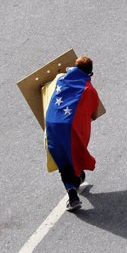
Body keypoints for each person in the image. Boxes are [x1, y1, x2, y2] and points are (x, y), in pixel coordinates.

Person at [44, 56, 100, 211]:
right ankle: (73, 196)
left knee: (63, 158)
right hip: (70, 127)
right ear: (89, 73)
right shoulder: (88, 89)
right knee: (71, 155)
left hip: (52, 123)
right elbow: (94, 113)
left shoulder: (61, 80)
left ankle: (75, 182)